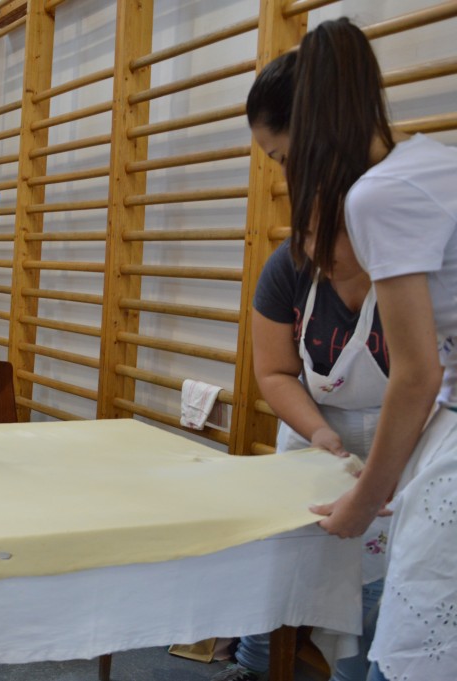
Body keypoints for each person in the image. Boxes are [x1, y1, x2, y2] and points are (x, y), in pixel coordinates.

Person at [286, 17, 457, 681]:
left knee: (412, 643)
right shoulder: (431, 159)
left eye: (281, 159)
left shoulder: (376, 196)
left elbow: (417, 375)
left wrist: (363, 502)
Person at [212, 51, 388, 681]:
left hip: (405, 442)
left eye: (282, 158)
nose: (313, 249)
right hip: (315, 436)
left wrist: (379, 479)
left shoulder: (409, 261)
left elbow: (423, 382)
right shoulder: (287, 268)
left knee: (375, 597)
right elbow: (275, 372)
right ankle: (254, 665)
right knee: (284, 576)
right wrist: (320, 435)